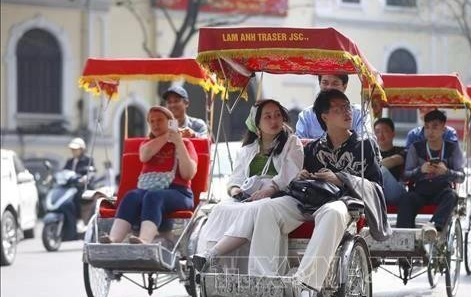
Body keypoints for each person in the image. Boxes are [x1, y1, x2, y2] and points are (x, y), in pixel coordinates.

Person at [246, 89, 388, 297]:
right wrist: (300, 176)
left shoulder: (365, 147)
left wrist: (342, 178)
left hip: (345, 206)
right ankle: (264, 281)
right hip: (309, 200)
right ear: (324, 116)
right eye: (339, 109)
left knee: (332, 212)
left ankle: (306, 285)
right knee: (268, 208)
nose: (347, 112)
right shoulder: (312, 148)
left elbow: (377, 188)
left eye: (347, 107)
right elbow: (295, 183)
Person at [192, 99, 303, 271]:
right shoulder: (248, 149)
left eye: (278, 115)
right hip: (249, 196)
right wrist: (235, 190)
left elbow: (290, 172)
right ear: (256, 123)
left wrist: (269, 189)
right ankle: (217, 266)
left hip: (280, 195)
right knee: (221, 209)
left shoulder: (292, 143)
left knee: (256, 209)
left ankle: (212, 255)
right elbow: (235, 178)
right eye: (267, 117)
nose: (274, 121)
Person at [99, 106, 198, 245]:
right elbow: (144, 156)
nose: (155, 124)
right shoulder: (147, 144)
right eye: (152, 121)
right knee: (131, 196)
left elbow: (188, 174)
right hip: (147, 190)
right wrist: (166, 136)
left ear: (170, 122)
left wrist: (178, 142)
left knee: (154, 196)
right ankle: (114, 238)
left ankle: (144, 239)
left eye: (160, 120)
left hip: (179, 193)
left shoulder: (185, 144)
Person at [398, 110, 464, 239]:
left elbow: (461, 177)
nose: (430, 131)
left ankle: (433, 226)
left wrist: (446, 172)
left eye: (435, 127)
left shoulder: (452, 148)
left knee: (452, 196)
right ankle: (405, 238)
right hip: (421, 189)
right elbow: (405, 175)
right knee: (407, 198)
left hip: (442, 189)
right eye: (427, 127)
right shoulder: (416, 147)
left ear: (443, 129)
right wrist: (420, 170)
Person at [295, 75, 369, 139]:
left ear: (345, 86)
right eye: (325, 83)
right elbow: (299, 145)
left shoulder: (360, 113)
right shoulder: (306, 115)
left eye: (335, 83)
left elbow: (366, 141)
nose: (329, 87)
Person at [62, 137, 95, 237]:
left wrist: (86, 177)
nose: (73, 151)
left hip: (83, 187)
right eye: (72, 149)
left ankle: (79, 219)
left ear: (82, 149)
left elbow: (91, 172)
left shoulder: (88, 160)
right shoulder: (69, 161)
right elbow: (64, 172)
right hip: (70, 187)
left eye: (75, 149)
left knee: (76, 195)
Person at [374, 117, 406, 204]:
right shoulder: (371, 153)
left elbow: (394, 160)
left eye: (385, 131)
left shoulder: (402, 151)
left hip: (396, 192)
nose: (380, 135)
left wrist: (370, 166)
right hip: (376, 192)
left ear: (393, 133)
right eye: (377, 132)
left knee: (382, 170)